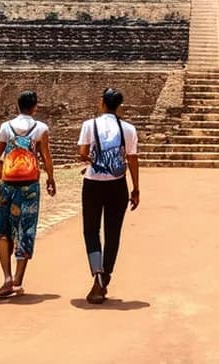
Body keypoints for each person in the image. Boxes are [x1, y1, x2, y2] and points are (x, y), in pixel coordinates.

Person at [0, 90, 55, 299]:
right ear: (34, 107)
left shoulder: (5, 127)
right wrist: (51, 179)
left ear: (17, 106)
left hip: (7, 185)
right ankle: (17, 279)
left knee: (2, 227)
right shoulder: (41, 129)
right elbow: (46, 157)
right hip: (30, 186)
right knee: (26, 227)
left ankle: (7, 277)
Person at [78, 87, 140, 304]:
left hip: (93, 184)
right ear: (118, 106)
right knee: (113, 233)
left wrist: (93, 160)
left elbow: (82, 153)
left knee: (91, 231)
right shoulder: (129, 129)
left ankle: (97, 275)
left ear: (101, 103)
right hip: (118, 186)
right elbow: (132, 159)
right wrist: (136, 188)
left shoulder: (89, 125)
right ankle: (105, 278)